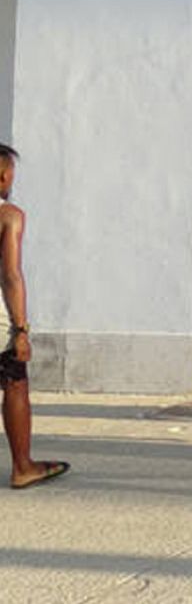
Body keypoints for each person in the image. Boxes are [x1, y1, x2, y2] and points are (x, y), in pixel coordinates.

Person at [0, 145, 68, 490]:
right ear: (2, 176)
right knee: (15, 384)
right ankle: (23, 466)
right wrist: (21, 330)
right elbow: (11, 276)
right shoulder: (9, 215)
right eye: (10, 172)